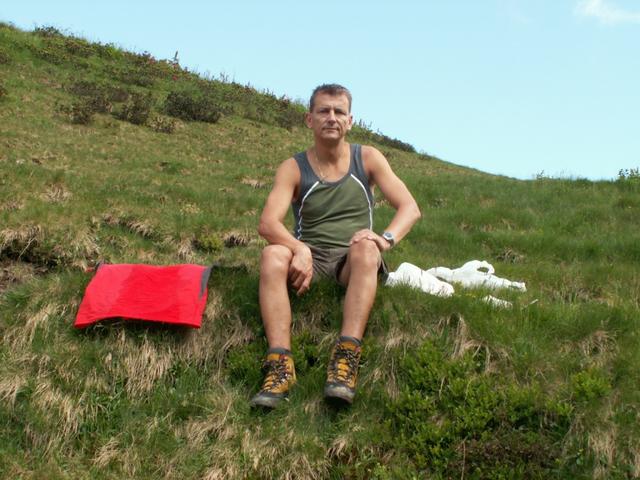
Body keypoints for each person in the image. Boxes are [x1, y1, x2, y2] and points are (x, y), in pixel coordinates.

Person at [250, 84, 421, 408]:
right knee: (272, 254)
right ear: (309, 119)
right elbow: (268, 224)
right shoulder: (293, 168)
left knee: (366, 248)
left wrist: (385, 239)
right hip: (309, 262)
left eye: (339, 112)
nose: (332, 117)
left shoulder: (367, 158)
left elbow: (409, 208)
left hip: (351, 261)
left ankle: (346, 358)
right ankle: (280, 365)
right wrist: (300, 249)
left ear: (350, 121)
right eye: (323, 111)